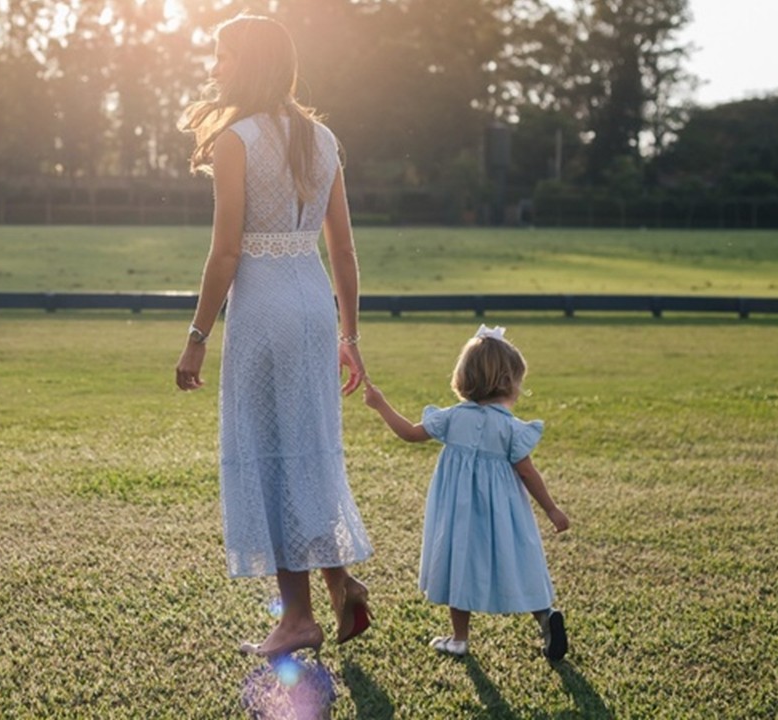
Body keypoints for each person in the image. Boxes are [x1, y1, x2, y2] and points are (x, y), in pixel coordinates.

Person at [173, 14, 373, 659]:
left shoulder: (237, 141)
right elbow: (343, 248)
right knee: (307, 447)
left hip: (262, 311)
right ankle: (341, 585)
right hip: (313, 307)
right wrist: (350, 333)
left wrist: (197, 334)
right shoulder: (323, 138)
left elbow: (225, 253)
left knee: (270, 455)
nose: (214, 67)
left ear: (252, 63)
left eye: (225, 56)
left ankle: (296, 618)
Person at [362, 325, 571, 660]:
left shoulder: (453, 418)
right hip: (504, 515)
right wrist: (552, 509)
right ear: (506, 382)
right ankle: (544, 616)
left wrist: (380, 404)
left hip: (458, 512)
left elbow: (410, 434)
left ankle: (460, 638)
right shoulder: (509, 428)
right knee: (517, 560)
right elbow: (528, 472)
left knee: (459, 561)